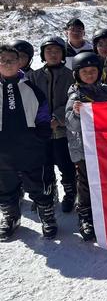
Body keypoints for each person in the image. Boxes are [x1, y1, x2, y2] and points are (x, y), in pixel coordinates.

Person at [0, 45, 57, 241]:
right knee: (5, 185)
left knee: (37, 183)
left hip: (30, 146)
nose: (7, 64)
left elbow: (42, 110)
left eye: (12, 60)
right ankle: (11, 217)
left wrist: (42, 130)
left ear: (19, 63)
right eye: (3, 60)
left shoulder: (31, 87)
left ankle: (47, 215)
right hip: (2, 149)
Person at [65, 52, 107, 241]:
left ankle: (105, 213)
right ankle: (85, 215)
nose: (89, 74)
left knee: (106, 181)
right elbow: (70, 124)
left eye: (93, 71)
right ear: (77, 74)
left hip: (106, 147)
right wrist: (78, 113)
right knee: (85, 184)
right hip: (85, 150)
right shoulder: (75, 96)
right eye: (84, 71)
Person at [30, 36, 76, 213]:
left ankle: (70, 193)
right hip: (42, 131)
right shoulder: (34, 76)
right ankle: (48, 192)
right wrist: (42, 121)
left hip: (64, 131)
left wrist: (58, 118)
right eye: (49, 51)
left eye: (57, 51)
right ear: (43, 54)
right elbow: (29, 102)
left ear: (63, 53)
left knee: (66, 164)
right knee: (45, 164)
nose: (53, 54)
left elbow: (74, 101)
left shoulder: (70, 75)